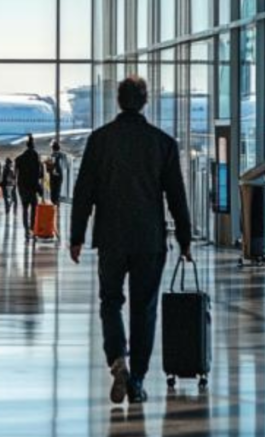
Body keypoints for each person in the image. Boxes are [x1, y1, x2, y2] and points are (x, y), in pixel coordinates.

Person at [69, 76, 192, 405]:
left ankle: (117, 359)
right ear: (145, 101)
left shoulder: (99, 140)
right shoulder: (162, 143)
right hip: (149, 240)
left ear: (118, 101)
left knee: (110, 301)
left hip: (110, 238)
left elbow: (83, 192)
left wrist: (76, 236)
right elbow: (176, 196)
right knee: (144, 309)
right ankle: (136, 379)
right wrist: (186, 238)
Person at [15, 135, 44, 240]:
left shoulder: (20, 158)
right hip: (32, 187)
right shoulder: (35, 157)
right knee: (34, 209)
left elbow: (16, 172)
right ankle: (32, 228)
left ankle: (26, 230)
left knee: (25, 209)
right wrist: (39, 189)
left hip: (22, 188)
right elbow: (38, 175)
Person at [48, 141, 67, 205]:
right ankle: (57, 206)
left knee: (53, 192)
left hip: (53, 176)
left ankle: (54, 205)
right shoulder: (63, 155)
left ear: (53, 148)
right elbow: (65, 166)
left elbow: (50, 168)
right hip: (59, 176)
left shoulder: (51, 156)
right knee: (57, 191)